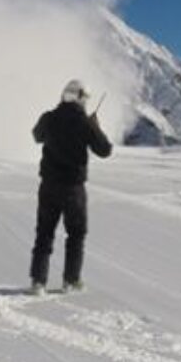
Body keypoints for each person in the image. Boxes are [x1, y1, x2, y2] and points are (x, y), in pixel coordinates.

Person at [29, 79, 112, 294]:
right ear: (81, 98)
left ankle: (38, 282)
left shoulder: (49, 117)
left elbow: (37, 136)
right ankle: (71, 280)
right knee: (76, 234)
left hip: (48, 186)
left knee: (44, 233)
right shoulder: (85, 123)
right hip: (73, 189)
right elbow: (105, 150)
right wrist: (95, 127)